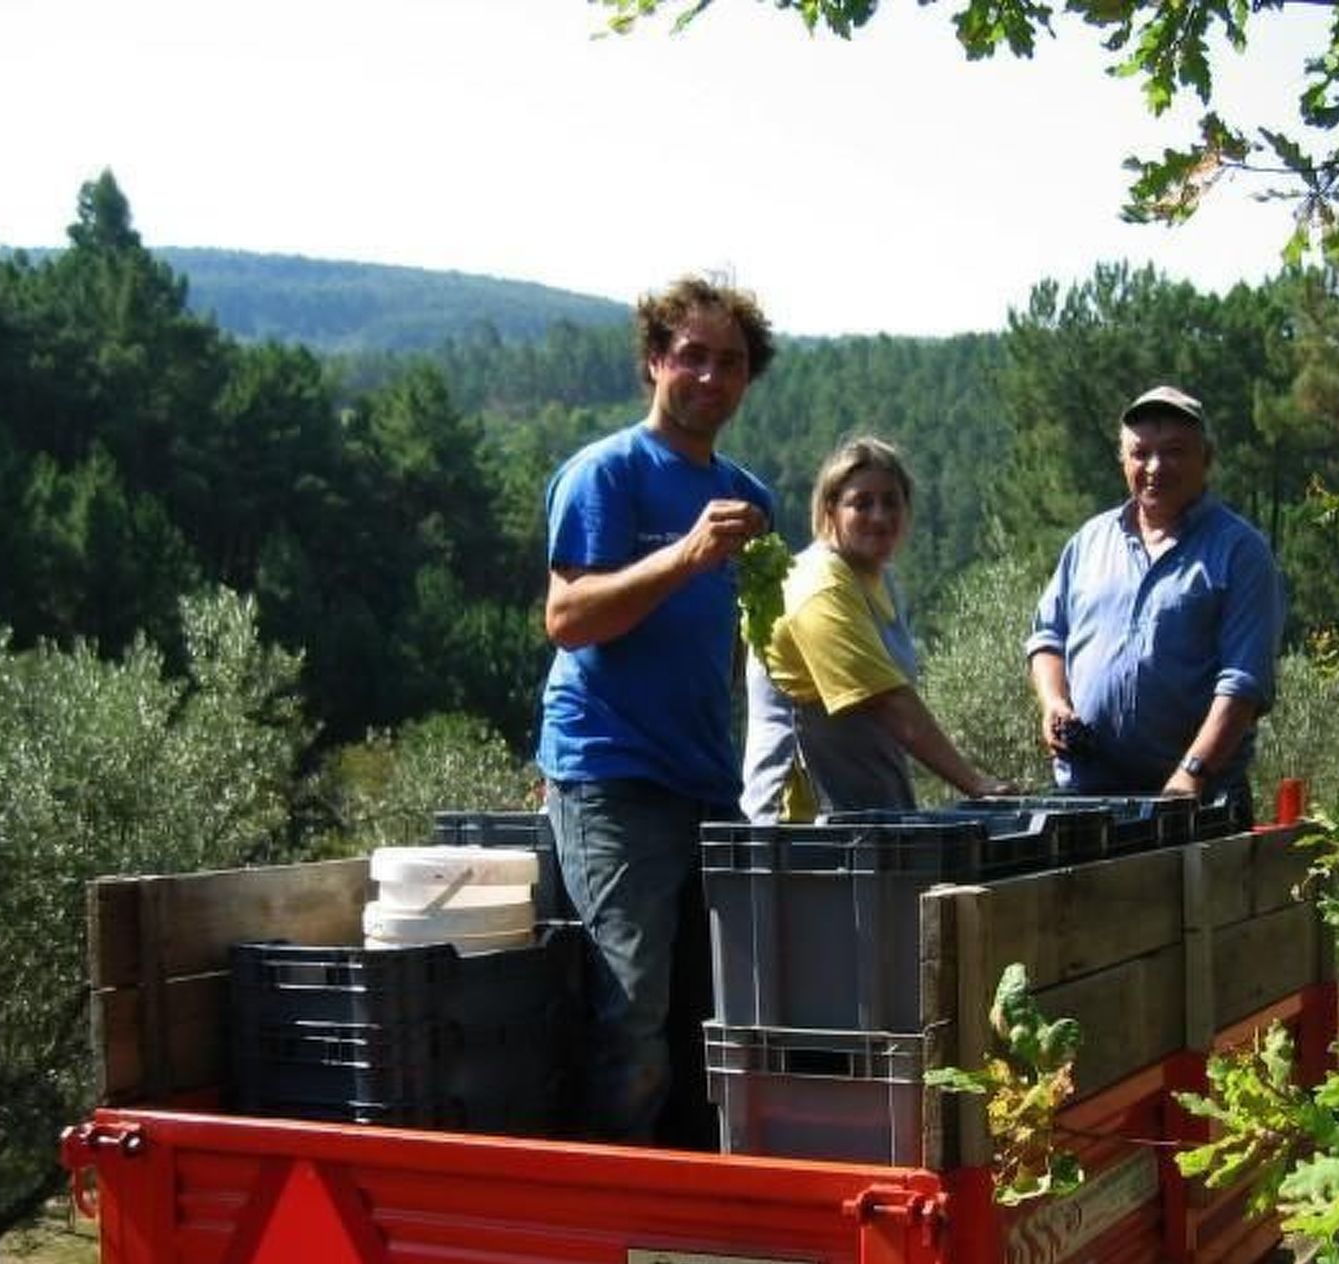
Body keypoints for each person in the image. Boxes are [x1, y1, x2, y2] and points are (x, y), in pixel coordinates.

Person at [537, 274, 777, 1145]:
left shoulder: (750, 498)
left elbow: (753, 641)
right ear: (653, 363)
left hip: (705, 780)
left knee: (706, 1015)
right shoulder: (607, 475)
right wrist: (684, 555)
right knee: (632, 1017)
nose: (711, 377)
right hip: (612, 776)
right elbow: (567, 618)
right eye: (693, 357)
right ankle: (610, 1230)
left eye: (732, 362)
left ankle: (690, 1219)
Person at [1025, 385, 1283, 808]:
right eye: (1141, 453)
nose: (1155, 467)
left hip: (1200, 802)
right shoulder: (1089, 542)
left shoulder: (1240, 551)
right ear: (1122, 460)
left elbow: (1244, 683)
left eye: (1175, 451)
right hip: (1087, 801)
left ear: (1207, 459)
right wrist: (1054, 703)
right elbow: (1047, 637)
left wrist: (1192, 772)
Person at [742, 436, 1014, 822]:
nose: (880, 516)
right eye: (861, 503)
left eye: (892, 501)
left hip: (867, 818)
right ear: (830, 509)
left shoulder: (880, 579)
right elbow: (888, 701)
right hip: (804, 828)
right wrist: (976, 783)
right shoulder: (820, 584)